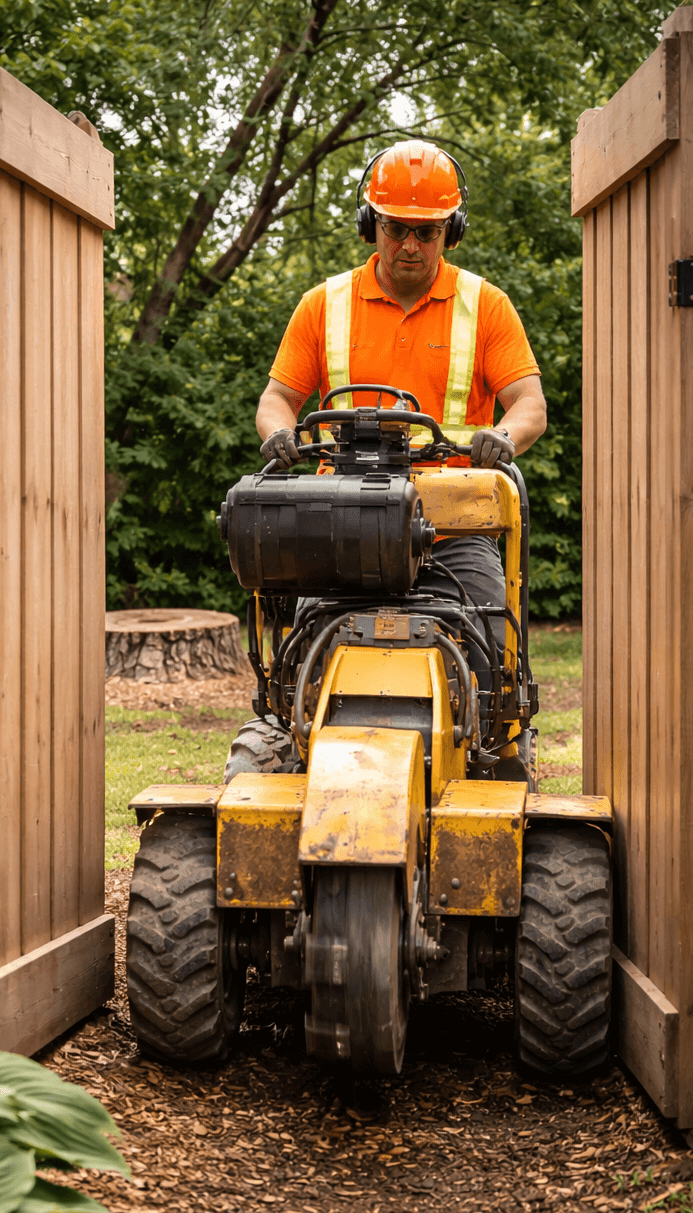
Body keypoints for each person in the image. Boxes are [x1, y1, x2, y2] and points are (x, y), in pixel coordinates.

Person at [226, 140, 546, 779]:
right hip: (340, 525)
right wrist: (280, 435)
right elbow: (276, 399)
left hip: (454, 526)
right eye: (397, 228)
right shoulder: (325, 305)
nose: (410, 245)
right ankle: (295, 737)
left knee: (491, 648)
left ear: (449, 232)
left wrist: (502, 439)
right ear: (370, 223)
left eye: (426, 232)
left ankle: (493, 750)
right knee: (295, 658)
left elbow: (529, 404)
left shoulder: (486, 306)